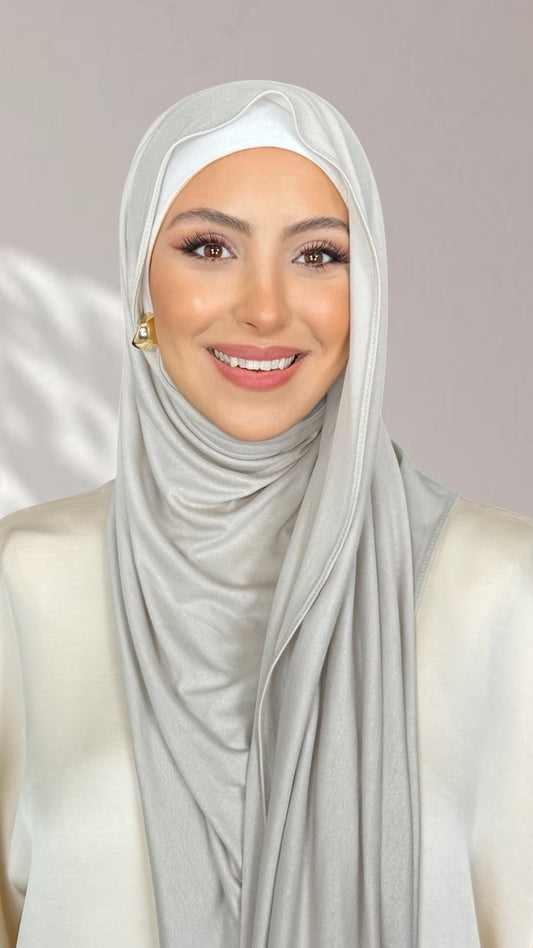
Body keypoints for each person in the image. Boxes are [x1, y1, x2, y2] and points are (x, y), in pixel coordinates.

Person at [1, 80, 532, 948]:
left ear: (368, 292)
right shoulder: (24, 583)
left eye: (318, 255)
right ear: (141, 284)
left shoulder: (497, 589)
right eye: (209, 247)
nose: (264, 308)